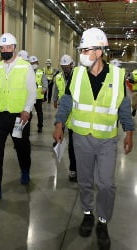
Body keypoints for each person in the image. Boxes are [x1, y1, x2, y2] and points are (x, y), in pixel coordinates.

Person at [52, 28, 134, 250]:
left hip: (107, 139)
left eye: (86, 49)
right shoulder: (77, 74)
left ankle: (103, 222)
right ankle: (88, 213)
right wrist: (59, 123)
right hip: (80, 138)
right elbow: (67, 101)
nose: (83, 53)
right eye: (82, 49)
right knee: (85, 181)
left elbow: (124, 106)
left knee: (107, 184)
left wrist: (129, 131)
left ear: (99, 51)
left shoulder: (117, 76)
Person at [0, 33, 36, 206]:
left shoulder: (25, 67)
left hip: (18, 117)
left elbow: (32, 91)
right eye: (2, 48)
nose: (5, 50)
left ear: (14, 47)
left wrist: (27, 110)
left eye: (8, 47)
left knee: (21, 147)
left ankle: (25, 169)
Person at [52, 54, 77, 182]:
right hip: (63, 109)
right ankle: (58, 142)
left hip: (74, 113)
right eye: (63, 67)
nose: (65, 69)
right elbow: (56, 89)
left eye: (67, 67)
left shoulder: (78, 77)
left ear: (72, 65)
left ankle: (73, 169)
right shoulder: (58, 77)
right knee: (59, 129)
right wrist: (55, 100)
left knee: (73, 145)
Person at [29, 55, 47, 133]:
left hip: (38, 96)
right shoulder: (27, 72)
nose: (34, 64)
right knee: (28, 112)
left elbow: (44, 82)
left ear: (37, 63)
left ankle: (40, 126)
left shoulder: (41, 72)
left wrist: (44, 88)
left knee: (39, 112)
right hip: (29, 97)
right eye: (32, 63)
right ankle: (27, 125)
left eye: (35, 62)